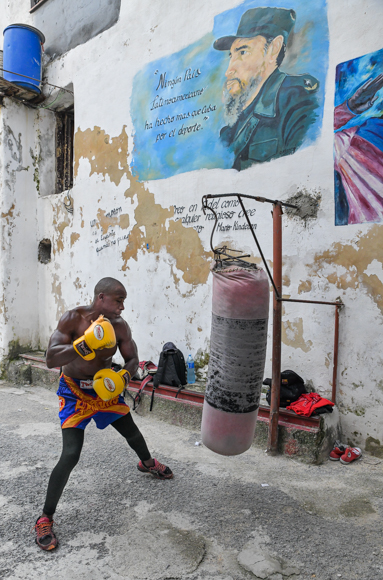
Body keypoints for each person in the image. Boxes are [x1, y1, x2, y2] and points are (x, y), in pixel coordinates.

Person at [34, 277, 173, 551]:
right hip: (74, 392)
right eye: (118, 301)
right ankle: (45, 517)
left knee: (132, 432)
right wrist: (82, 346)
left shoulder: (120, 326)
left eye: (123, 302)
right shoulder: (72, 319)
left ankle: (147, 463)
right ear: (101, 298)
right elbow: (50, 358)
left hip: (105, 391)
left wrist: (123, 375)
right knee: (71, 454)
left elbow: (133, 359)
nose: (122, 307)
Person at [214, 7, 320, 170]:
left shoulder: (298, 101)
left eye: (243, 52)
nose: (229, 71)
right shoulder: (231, 130)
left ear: (273, 48)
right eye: (231, 56)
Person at [334, 73, 383, 225]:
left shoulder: (352, 140)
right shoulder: (353, 140)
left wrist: (349, 108)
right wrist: (348, 108)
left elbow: (316, 148)